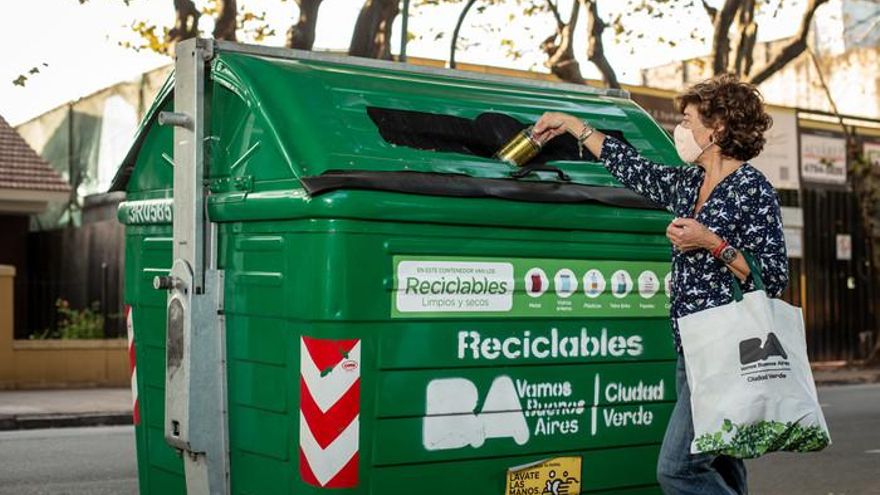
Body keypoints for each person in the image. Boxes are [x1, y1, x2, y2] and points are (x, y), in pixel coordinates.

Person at [532, 74, 788, 495]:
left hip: (729, 348)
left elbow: (774, 275)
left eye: (688, 121)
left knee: (678, 469)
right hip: (691, 346)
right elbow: (632, 167)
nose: (681, 130)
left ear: (717, 127)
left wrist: (710, 241)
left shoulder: (753, 190)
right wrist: (573, 125)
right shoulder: (689, 184)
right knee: (722, 462)